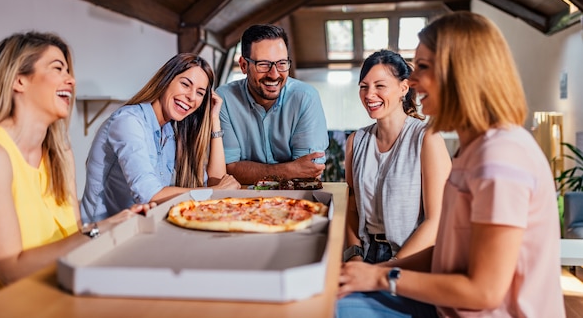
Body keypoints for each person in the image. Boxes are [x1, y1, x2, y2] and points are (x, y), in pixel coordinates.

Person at [336, 12, 566, 317]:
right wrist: (371, 273)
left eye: (424, 68)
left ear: (462, 73)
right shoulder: (472, 151)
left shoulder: (501, 157)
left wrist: (380, 276)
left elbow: (484, 291)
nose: (413, 80)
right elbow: (447, 254)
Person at [0, 32, 151, 310]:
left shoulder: (60, 155)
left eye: (69, 71)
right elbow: (11, 271)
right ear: (18, 80)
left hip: (52, 299)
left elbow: (72, 241)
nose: (71, 79)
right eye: (58, 68)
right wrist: (100, 229)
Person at [81, 53, 240, 223]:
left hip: (141, 227)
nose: (192, 97)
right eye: (185, 84)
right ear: (166, 80)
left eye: (200, 93)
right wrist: (214, 192)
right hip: (102, 235)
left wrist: (214, 119)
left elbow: (216, 183)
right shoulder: (129, 122)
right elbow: (149, 195)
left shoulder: (170, 131)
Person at [343, 50, 451, 265]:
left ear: (404, 87)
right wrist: (354, 255)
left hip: (413, 256)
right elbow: (352, 207)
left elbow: (436, 220)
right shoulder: (356, 141)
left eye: (380, 86)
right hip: (365, 254)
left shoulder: (426, 138)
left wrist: (389, 267)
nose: (369, 94)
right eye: (364, 86)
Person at [216, 24, 329, 185]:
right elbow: (227, 170)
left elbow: (308, 172)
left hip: (298, 201)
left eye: (282, 63)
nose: (274, 74)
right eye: (263, 64)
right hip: (242, 203)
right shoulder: (224, 99)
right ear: (243, 65)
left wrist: (250, 171)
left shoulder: (306, 97)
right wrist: (290, 170)